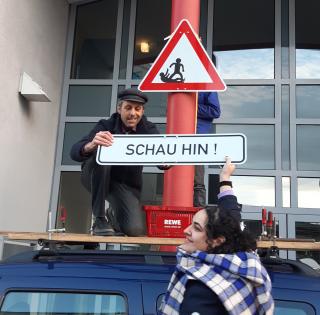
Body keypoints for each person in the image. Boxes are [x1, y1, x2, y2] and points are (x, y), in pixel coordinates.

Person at [159, 157, 274, 315]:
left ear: (217, 240)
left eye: (196, 228)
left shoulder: (202, 289)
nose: (186, 230)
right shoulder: (242, 262)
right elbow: (231, 213)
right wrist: (224, 177)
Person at [70, 88, 166, 236]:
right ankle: (100, 219)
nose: (133, 113)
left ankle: (113, 216)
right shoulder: (105, 126)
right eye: (128, 108)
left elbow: (161, 160)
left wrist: (167, 160)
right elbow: (74, 152)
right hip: (95, 176)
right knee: (103, 157)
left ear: (142, 111)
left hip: (124, 186)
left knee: (134, 230)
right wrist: (91, 145)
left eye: (138, 109)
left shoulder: (148, 129)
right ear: (119, 108)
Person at [194, 91, 221, 207]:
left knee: (197, 180)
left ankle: (198, 214)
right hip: (178, 137)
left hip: (197, 139)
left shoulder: (207, 86)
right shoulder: (178, 85)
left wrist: (191, 106)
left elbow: (215, 111)